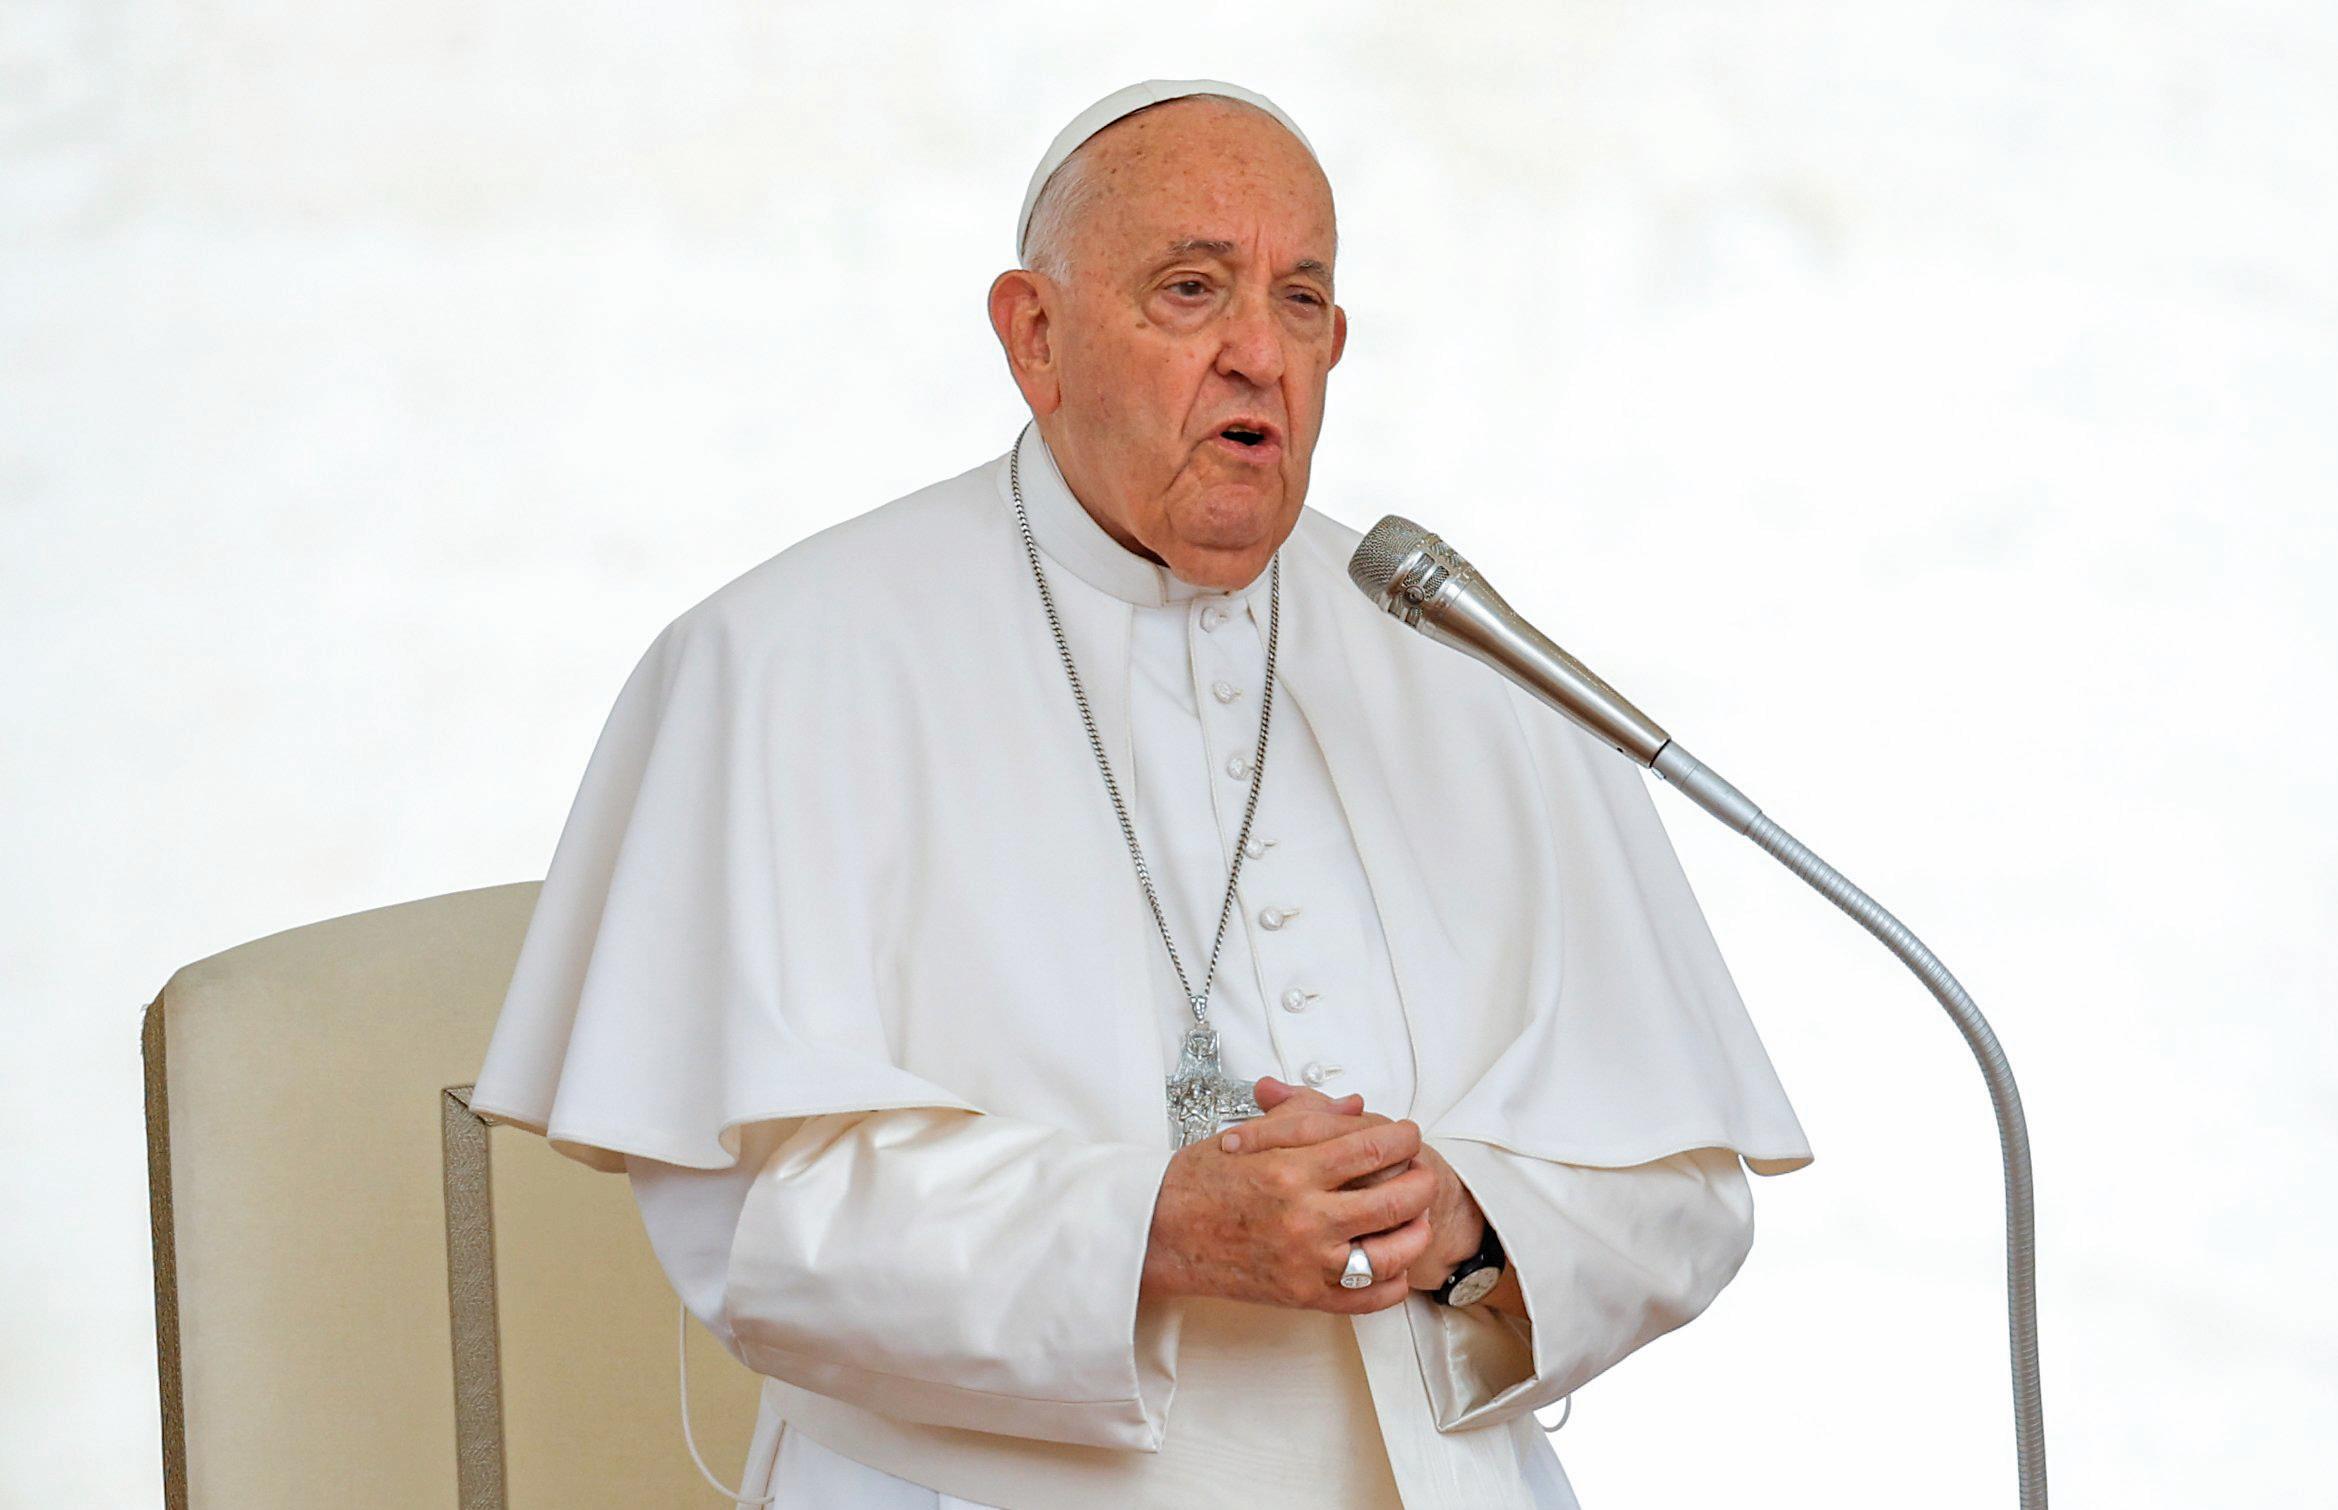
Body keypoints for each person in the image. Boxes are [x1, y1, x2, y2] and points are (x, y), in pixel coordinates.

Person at [468, 78, 1814, 1510]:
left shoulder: (1463, 658)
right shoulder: (786, 658)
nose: (1258, 355)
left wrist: (1472, 1228)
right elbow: (746, 1218)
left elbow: (1683, 1190)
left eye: (1300, 301)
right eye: (1190, 290)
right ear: (1033, 337)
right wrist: (1153, 1227)